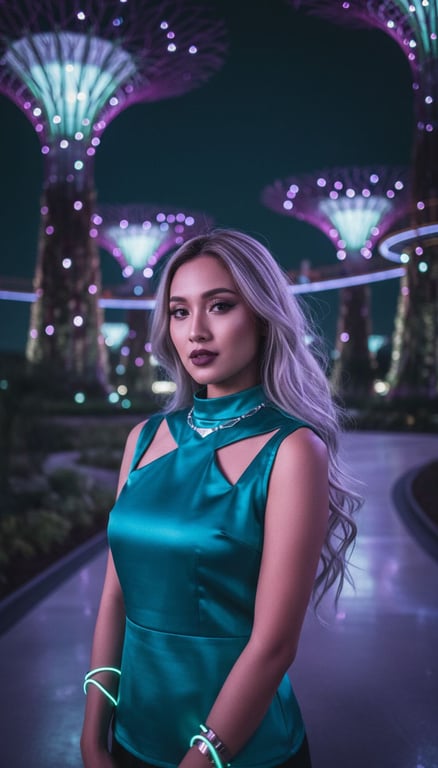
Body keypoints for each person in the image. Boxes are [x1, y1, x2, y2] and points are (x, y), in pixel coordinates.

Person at [80, 229, 361, 768]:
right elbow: (116, 597)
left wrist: (202, 758)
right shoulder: (143, 439)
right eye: (180, 312)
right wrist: (94, 738)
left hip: (240, 752)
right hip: (131, 741)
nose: (196, 331)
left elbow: (275, 644)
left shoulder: (294, 449)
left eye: (220, 306)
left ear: (261, 315)